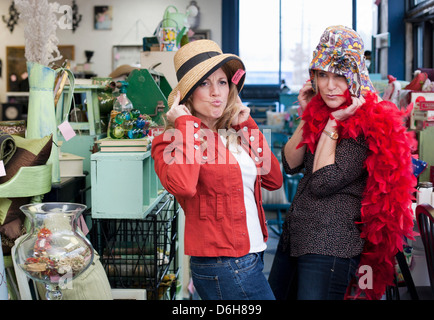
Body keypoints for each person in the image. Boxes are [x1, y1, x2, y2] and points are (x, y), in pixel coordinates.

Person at [268, 25, 417, 300]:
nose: (329, 85)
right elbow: (290, 163)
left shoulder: (366, 122)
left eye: (339, 76)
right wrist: (307, 113)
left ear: (355, 76)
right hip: (296, 237)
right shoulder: (325, 108)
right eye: (322, 75)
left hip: (331, 245)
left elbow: (322, 182)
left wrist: (333, 124)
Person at [151, 39, 283, 300]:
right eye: (204, 83)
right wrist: (185, 123)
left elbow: (273, 179)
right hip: (223, 264)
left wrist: (247, 125)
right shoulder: (169, 141)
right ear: (188, 95)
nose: (216, 92)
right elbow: (184, 186)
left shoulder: (232, 132)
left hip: (253, 256)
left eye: (222, 82)